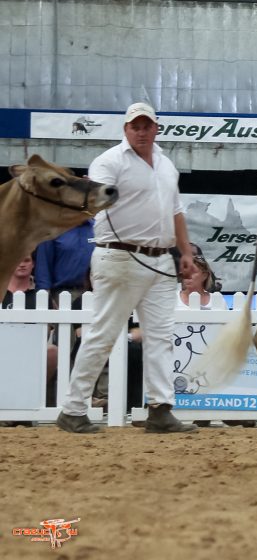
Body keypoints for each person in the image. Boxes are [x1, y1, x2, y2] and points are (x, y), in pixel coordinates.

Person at [57, 102, 199, 434]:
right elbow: (97, 198)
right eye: (135, 126)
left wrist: (185, 252)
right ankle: (73, 410)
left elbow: (176, 211)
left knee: (161, 337)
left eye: (147, 125)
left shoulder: (165, 164)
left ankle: (160, 409)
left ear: (156, 128)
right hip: (119, 256)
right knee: (103, 334)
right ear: (126, 129)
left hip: (161, 259)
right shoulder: (109, 161)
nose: (141, 131)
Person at [2, 255, 59, 414]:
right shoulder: (2, 292)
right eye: (17, 260)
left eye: (26, 260)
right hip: (3, 348)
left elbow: (47, 331)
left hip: (32, 350)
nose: (22, 264)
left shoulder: (41, 296)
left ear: (33, 264)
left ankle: (29, 403)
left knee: (52, 352)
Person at [34, 219, 95, 306]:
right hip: (62, 294)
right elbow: (43, 266)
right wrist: (46, 297)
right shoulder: (52, 229)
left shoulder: (97, 227)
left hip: (94, 293)